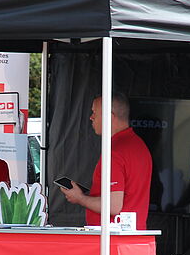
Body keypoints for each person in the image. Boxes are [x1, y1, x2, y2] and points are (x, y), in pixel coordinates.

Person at [60, 93, 152, 230]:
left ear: (109, 117)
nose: (91, 117)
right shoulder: (139, 146)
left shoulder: (115, 152)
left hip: (111, 241)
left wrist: (79, 198)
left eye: (94, 113)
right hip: (134, 238)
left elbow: (113, 205)